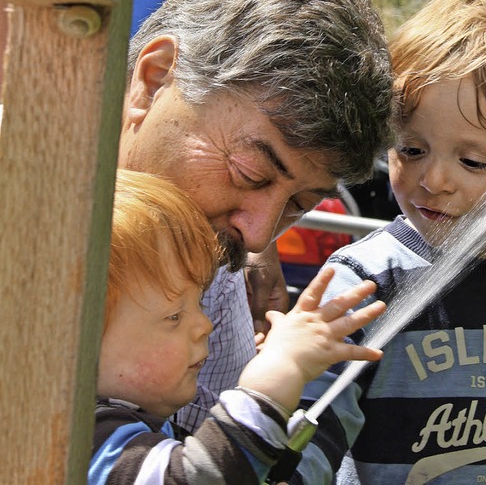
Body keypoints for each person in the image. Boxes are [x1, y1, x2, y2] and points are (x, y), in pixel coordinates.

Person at [290, 0, 486, 484]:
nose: (432, 180)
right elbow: (309, 438)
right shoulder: (363, 280)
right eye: (411, 149)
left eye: (473, 161)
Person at [119, 0, 395, 434]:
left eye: (300, 204)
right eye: (250, 174)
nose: (259, 236)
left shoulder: (221, 282)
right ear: (154, 80)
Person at [91, 169, 386, 484]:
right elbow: (199, 477)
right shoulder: (91, 441)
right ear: (83, 343)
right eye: (174, 316)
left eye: (199, 304)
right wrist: (271, 379)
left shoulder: (135, 425)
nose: (203, 325)